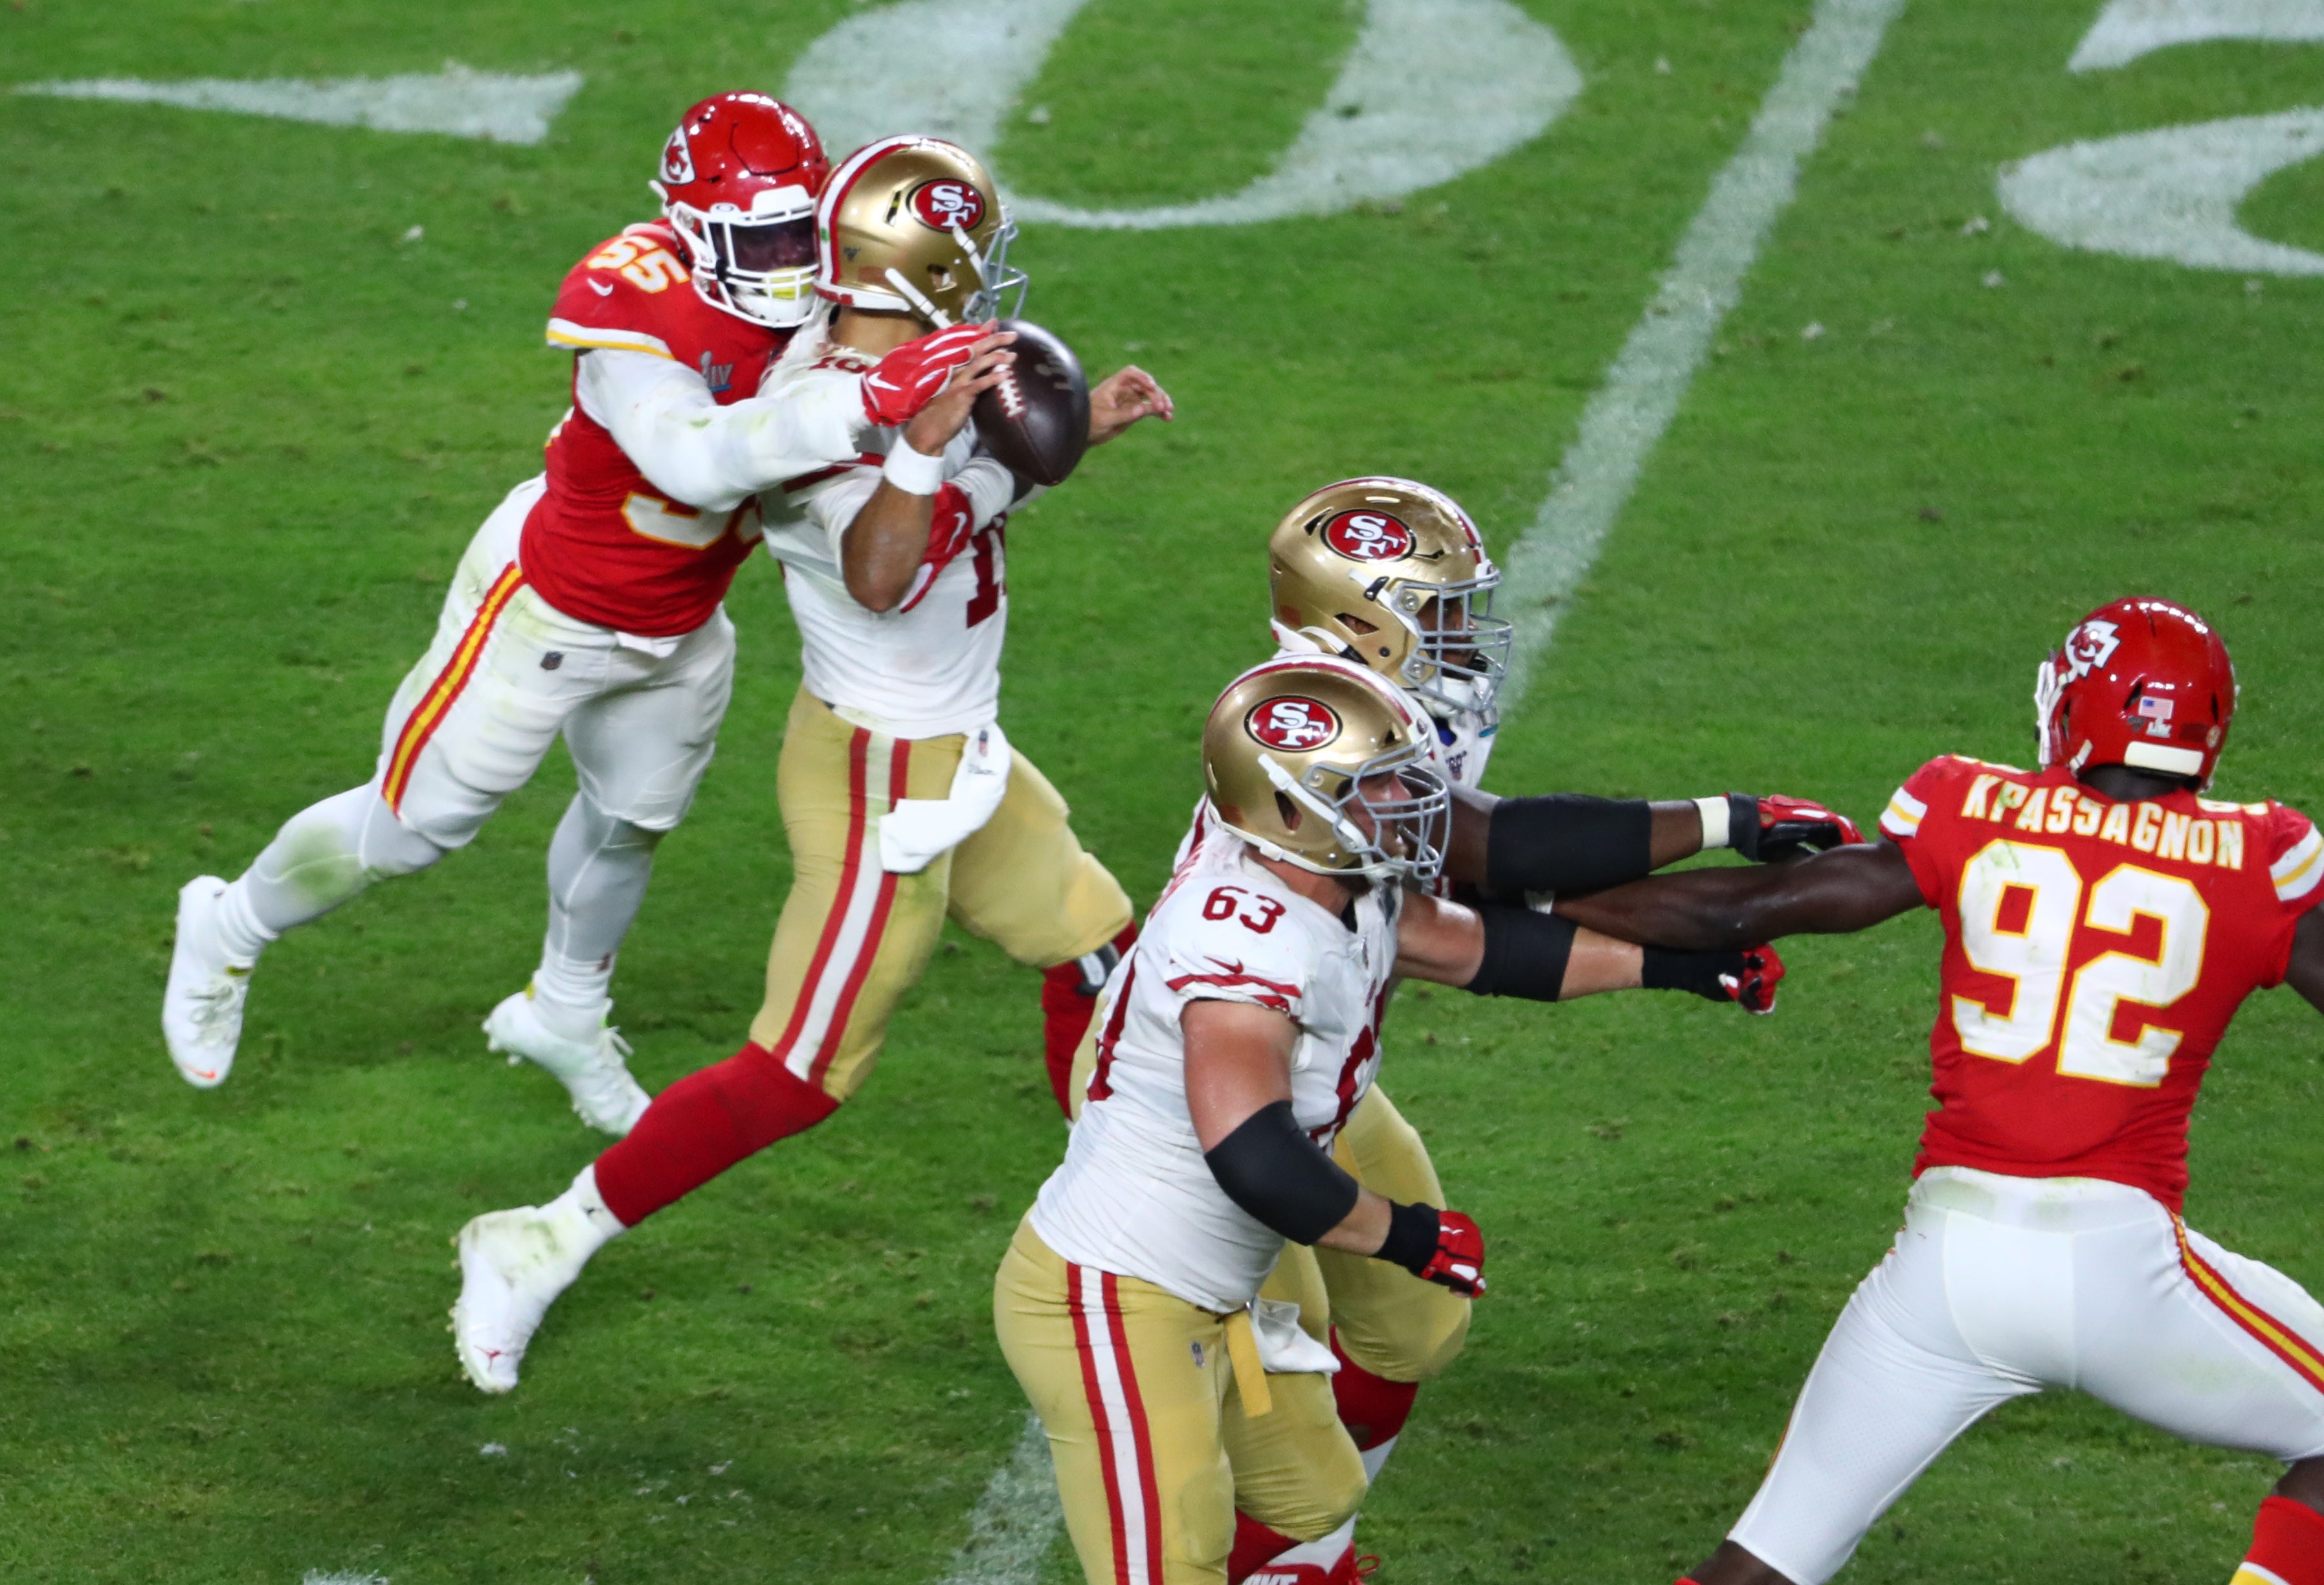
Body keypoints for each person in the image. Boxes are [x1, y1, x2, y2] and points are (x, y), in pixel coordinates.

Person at [447, 133, 1175, 1391]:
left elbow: (960, 499)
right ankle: (534, 1243)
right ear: (928, 269)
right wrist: (934, 448)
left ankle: (1151, 1245)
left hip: (959, 760)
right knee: (799, 1074)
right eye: (972, 257)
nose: (990, 275)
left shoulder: (910, 367)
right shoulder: (827, 408)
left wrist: (1072, 435)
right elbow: (886, 571)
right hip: (882, 778)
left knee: (1109, 961)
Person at [1071, 476, 1860, 1582]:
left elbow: (1464, 929)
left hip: (1322, 1066)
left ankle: (1304, 1540)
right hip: (1221, 1079)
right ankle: (1293, 1554)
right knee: (1259, 1377)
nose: (1460, 636)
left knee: (1419, 1320)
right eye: (1436, 611)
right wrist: (1723, 823)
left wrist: (1675, 960)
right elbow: (1504, 859)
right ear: (1357, 618)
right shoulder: (1317, 722)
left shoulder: (1373, 717)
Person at [159, 93, 992, 1132]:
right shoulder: (631, 297)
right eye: (758, 237)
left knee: (630, 826)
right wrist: (863, 400)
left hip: (682, 627)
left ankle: (565, 1011)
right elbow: (694, 459)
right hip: (550, 609)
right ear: (689, 225)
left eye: (796, 230)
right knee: (411, 832)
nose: (785, 262)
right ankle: (227, 924)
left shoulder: (825, 298)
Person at [1550, 598, 2324, 1585]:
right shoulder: (2263, 856)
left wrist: (1539, 896)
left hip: (1943, 1269)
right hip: (2123, 1267)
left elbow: (1753, 904)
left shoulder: (1971, 803)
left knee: (1764, 1562)